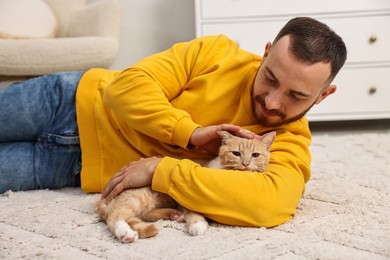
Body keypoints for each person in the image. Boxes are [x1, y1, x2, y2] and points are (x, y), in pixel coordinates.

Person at [0, 17, 346, 227]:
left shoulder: (288, 140)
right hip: (70, 99)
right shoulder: (217, 52)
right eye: (269, 77)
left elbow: (269, 203)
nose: (272, 102)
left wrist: (160, 170)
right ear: (266, 51)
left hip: (71, 166)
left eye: (296, 96)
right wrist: (190, 134)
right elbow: (124, 88)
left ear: (322, 95)